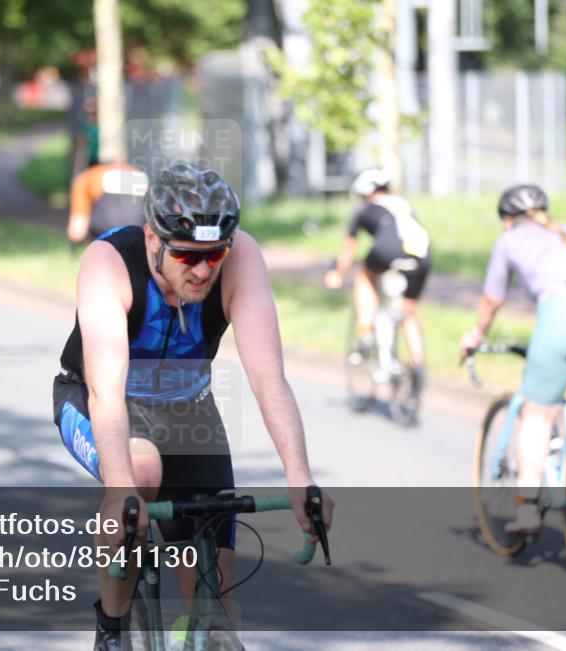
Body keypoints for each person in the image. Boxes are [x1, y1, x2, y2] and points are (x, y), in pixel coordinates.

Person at [52, 163, 334, 650]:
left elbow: (269, 378)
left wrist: (300, 478)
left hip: (187, 410)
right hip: (101, 398)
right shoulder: (108, 263)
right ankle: (111, 630)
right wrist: (121, 494)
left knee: (214, 590)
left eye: (214, 254)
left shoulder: (242, 257)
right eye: (186, 256)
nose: (203, 270)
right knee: (139, 477)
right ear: (151, 239)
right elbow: (106, 393)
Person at [459, 184, 566, 534]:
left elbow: (493, 299)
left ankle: (527, 512)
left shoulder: (509, 240)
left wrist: (476, 335)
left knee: (535, 416)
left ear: (508, 220)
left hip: (564, 320)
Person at [324, 168, 431, 396]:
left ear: (364, 194)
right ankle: (418, 365)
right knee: (408, 312)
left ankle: (365, 334)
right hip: (422, 257)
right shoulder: (404, 205)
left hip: (387, 252)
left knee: (364, 276)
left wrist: (338, 275)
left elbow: (349, 250)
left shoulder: (364, 209)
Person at [67, 161, 149, 244]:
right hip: (138, 242)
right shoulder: (141, 176)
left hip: (102, 241)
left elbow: (78, 231)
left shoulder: (89, 177)